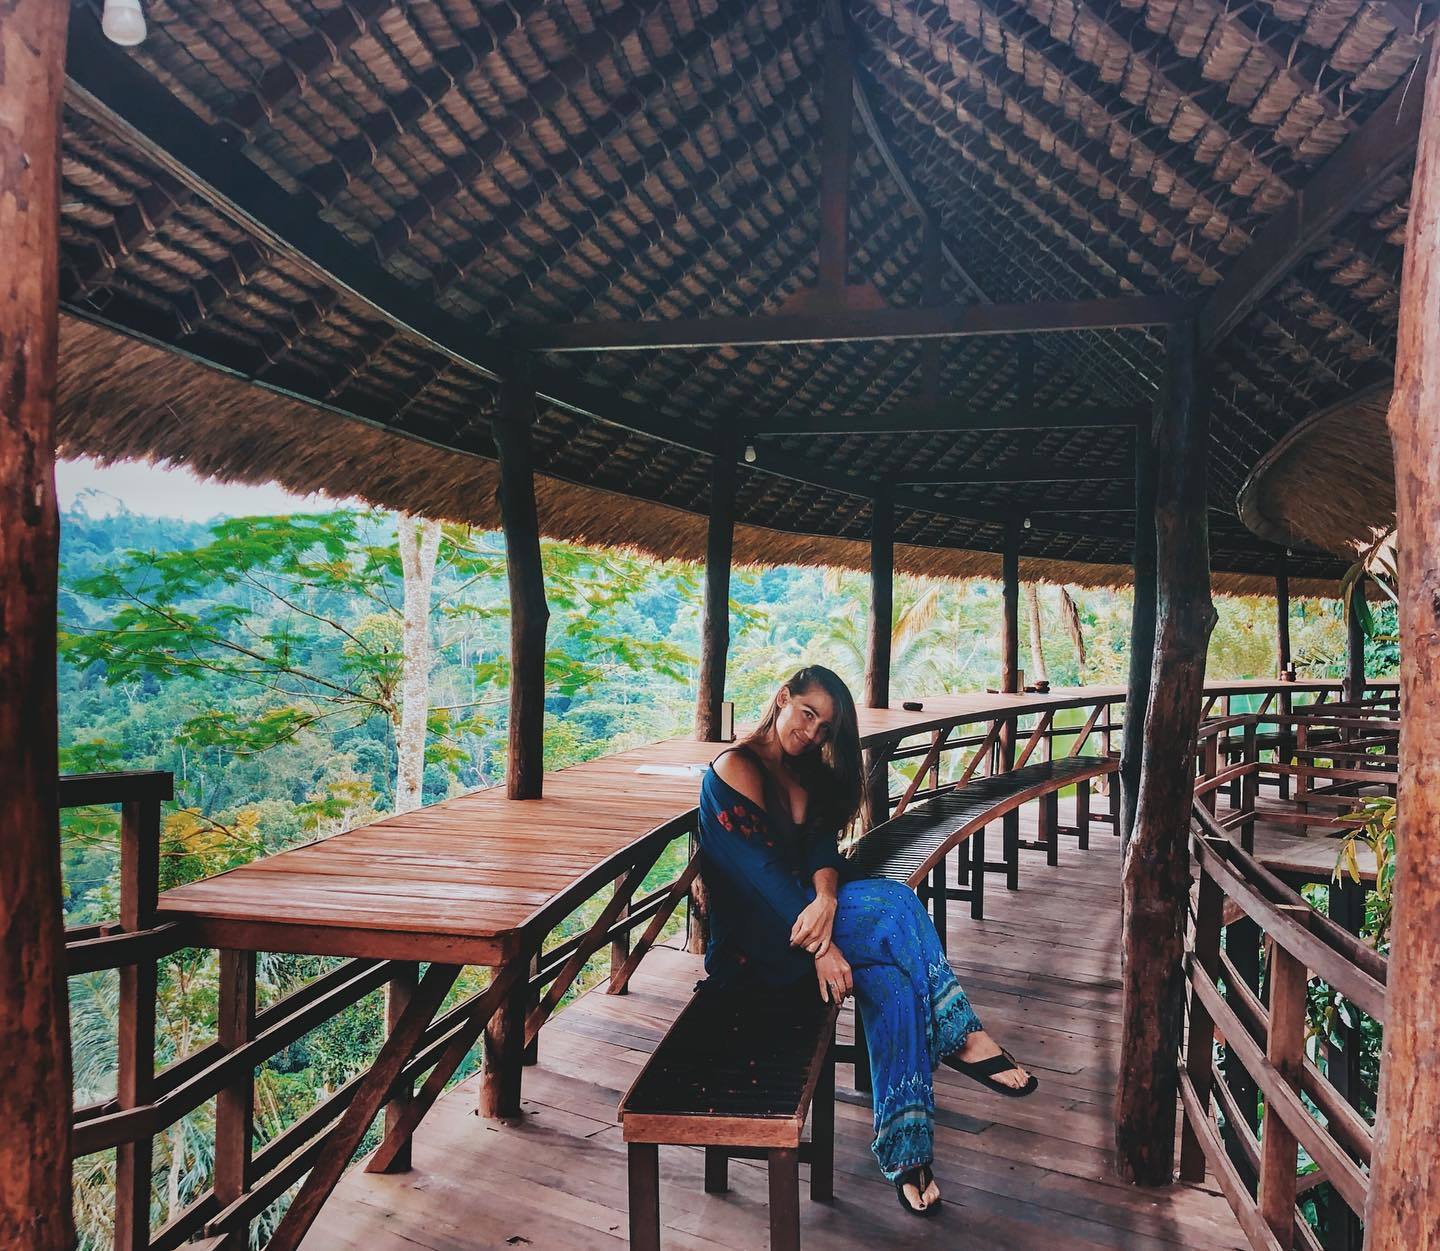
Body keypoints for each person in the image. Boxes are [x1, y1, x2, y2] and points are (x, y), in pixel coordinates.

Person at [697, 665, 1038, 1217]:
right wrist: (822, 948)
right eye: (807, 714)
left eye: (825, 728)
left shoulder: (803, 771)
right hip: (758, 944)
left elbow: (820, 855)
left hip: (809, 918)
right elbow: (762, 878)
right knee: (894, 906)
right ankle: (958, 1033)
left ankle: (908, 1152)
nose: (812, 733)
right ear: (782, 698)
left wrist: (827, 900)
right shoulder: (735, 767)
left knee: (897, 985)